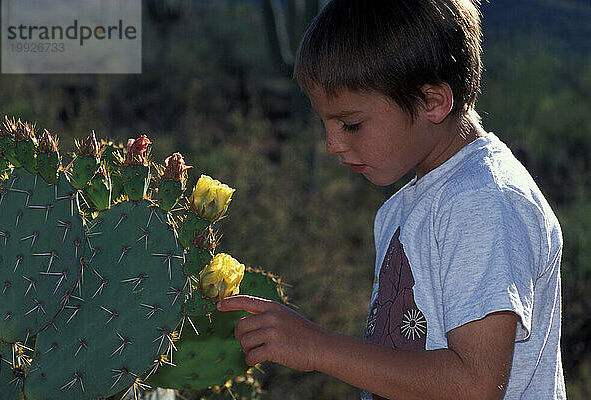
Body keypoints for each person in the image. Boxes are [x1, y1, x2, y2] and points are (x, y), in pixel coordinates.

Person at [217, 0, 566, 398]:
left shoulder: (483, 202)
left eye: (351, 123)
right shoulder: (403, 208)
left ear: (432, 102)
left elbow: (475, 384)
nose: (332, 144)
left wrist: (317, 346)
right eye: (325, 123)